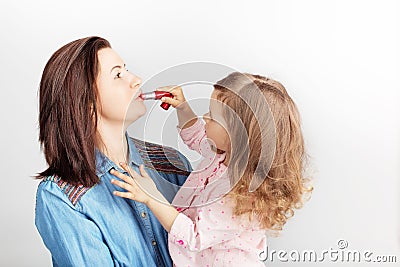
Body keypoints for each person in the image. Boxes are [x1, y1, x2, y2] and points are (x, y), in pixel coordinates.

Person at [110, 72, 313, 266]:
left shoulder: (241, 194)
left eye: (213, 116)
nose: (205, 117)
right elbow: (196, 135)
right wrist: (183, 108)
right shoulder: (220, 153)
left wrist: (151, 197)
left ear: (237, 135)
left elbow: (193, 237)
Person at [34, 36, 192, 266]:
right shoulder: (60, 198)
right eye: (118, 75)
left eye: (126, 70)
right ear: (85, 101)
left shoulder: (172, 163)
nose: (137, 80)